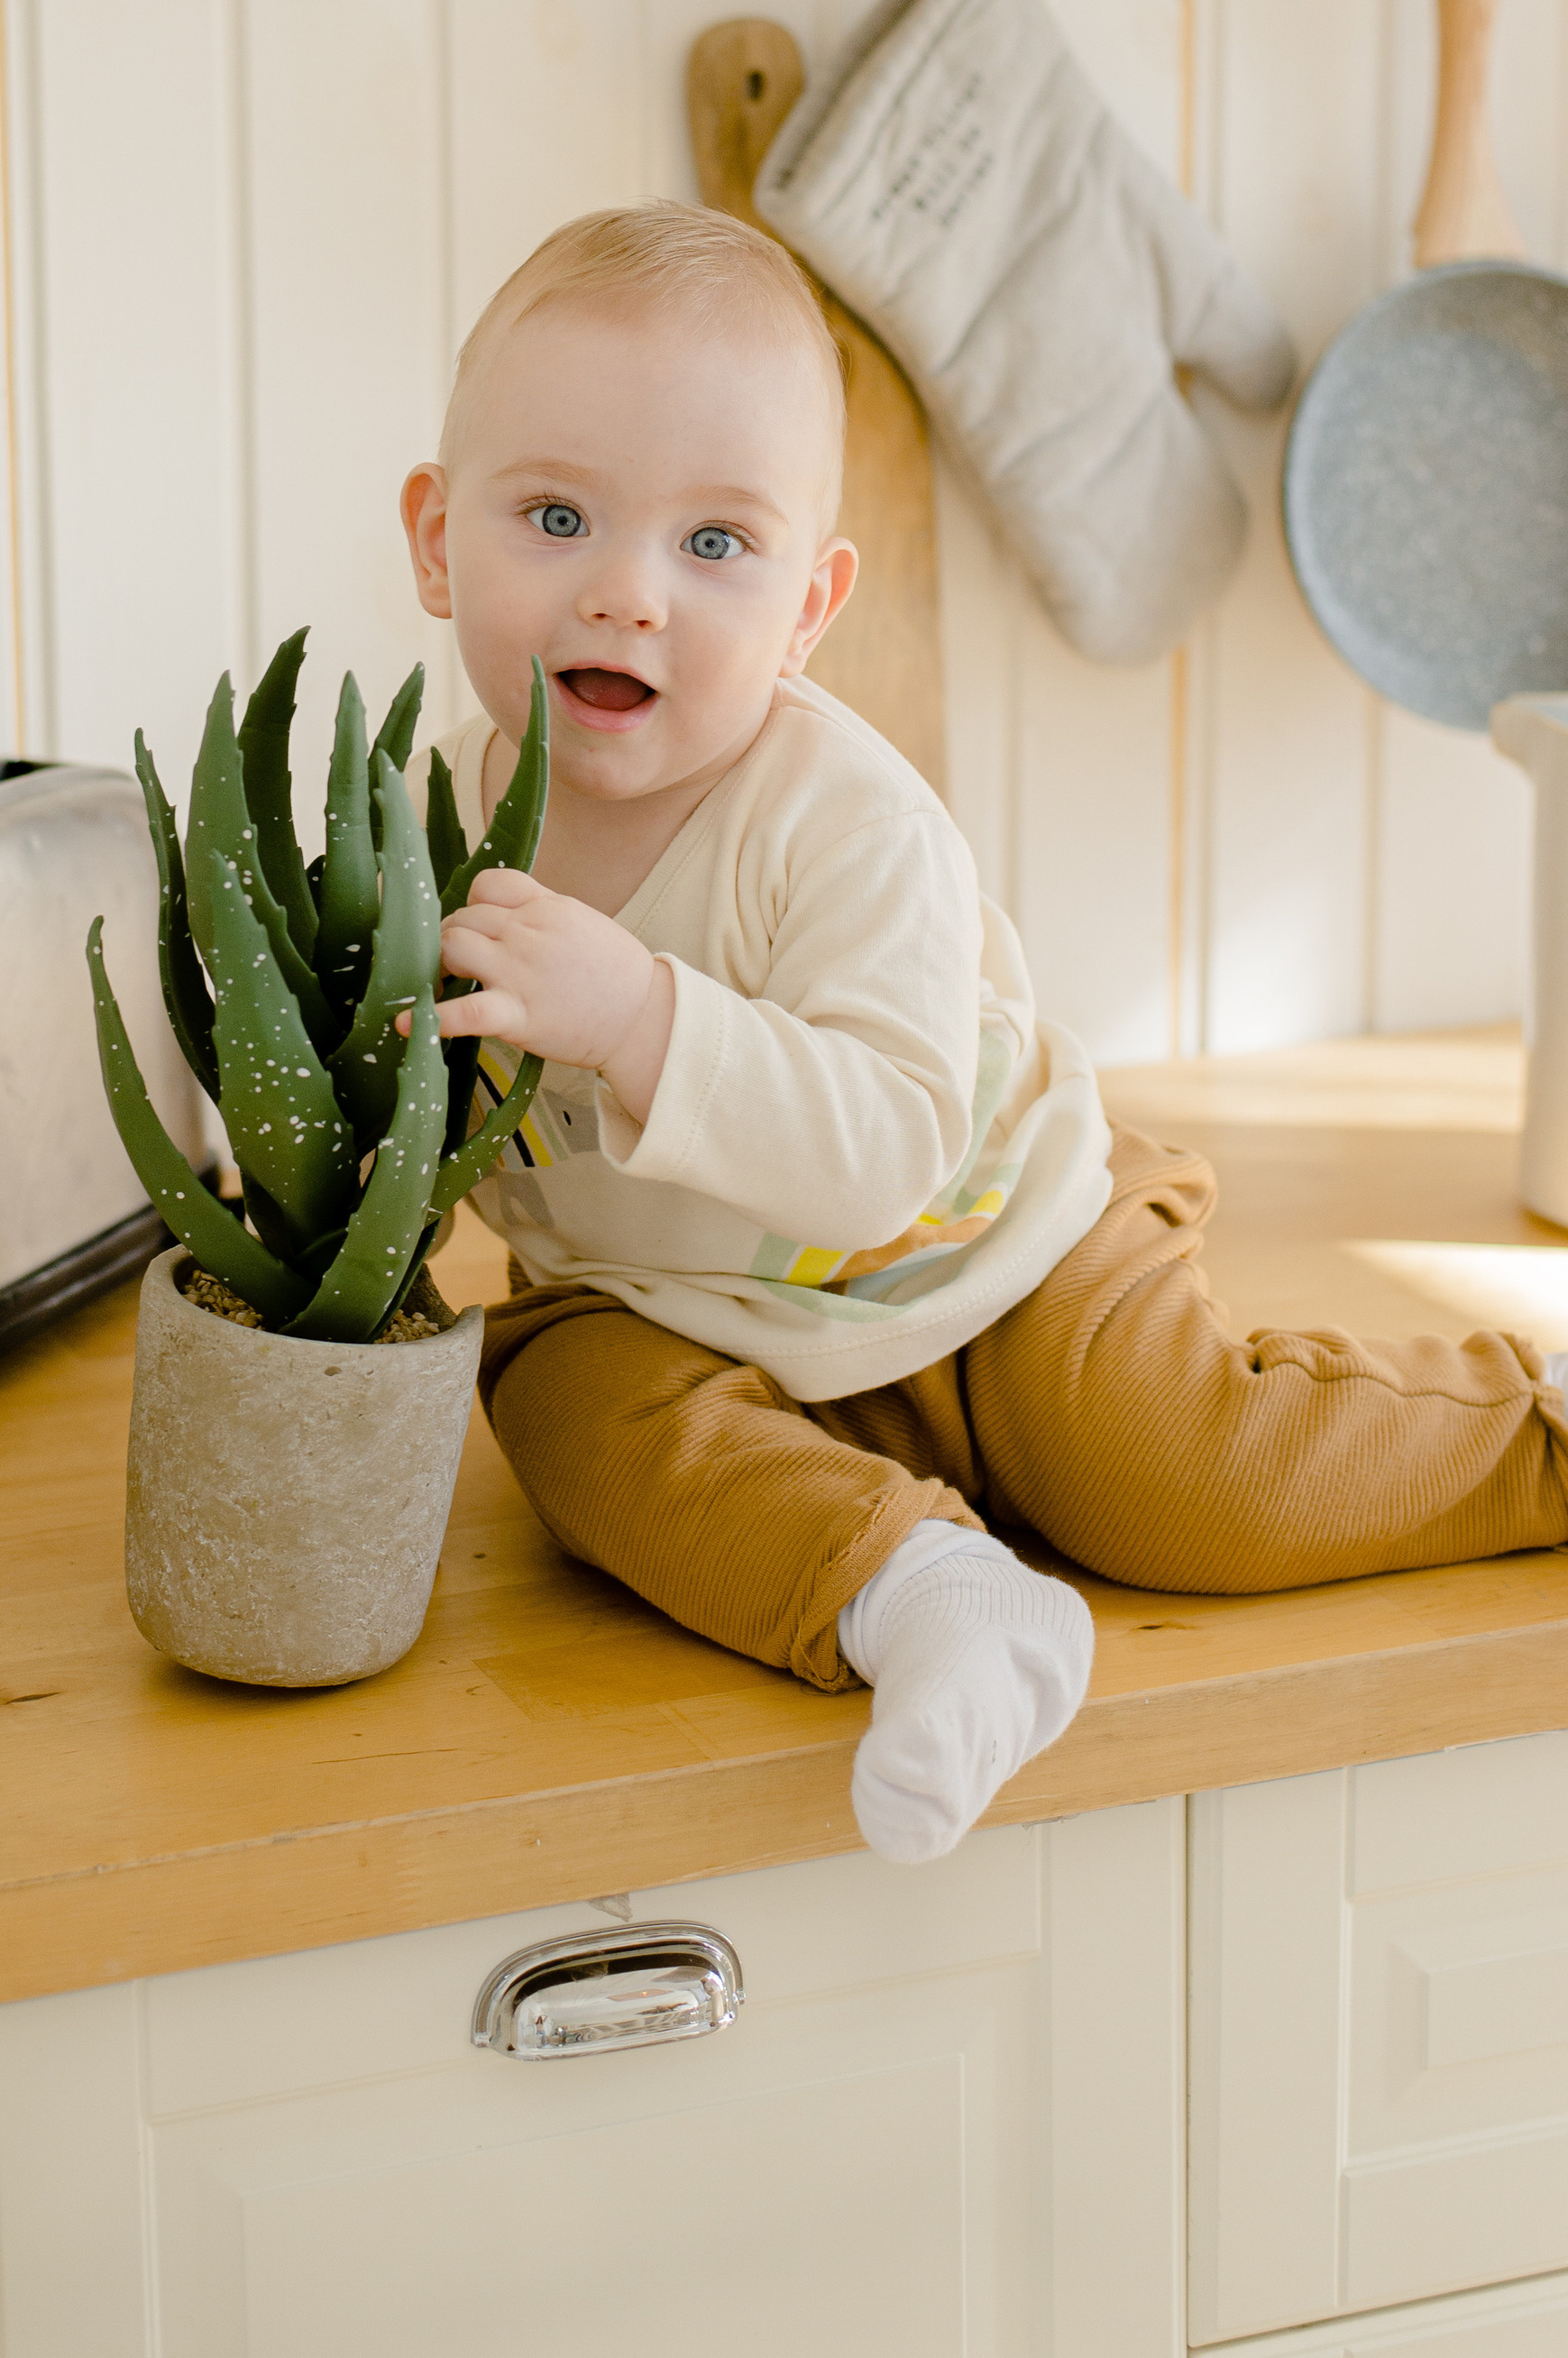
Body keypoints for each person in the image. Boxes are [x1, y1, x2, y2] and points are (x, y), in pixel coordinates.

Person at [399, 200, 1568, 1865]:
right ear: (441, 539)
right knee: (567, 1421)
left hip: (993, 1250)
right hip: (676, 1307)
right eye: (559, 515)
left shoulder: (846, 820)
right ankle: (920, 1589)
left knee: (1174, 1479)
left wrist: (639, 1015)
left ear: (812, 603)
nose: (627, 595)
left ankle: (1537, 1434)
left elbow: (884, 1150)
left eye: (713, 545)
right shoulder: (430, 820)